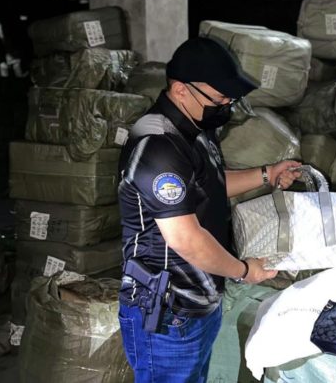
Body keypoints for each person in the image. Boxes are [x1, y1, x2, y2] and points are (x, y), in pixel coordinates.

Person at [116, 37, 301, 382]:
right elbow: (184, 238)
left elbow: (208, 186)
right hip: (167, 311)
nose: (225, 105)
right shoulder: (158, 144)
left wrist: (267, 174)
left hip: (200, 301)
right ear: (180, 90)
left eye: (229, 99)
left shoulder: (197, 128)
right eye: (218, 98)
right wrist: (244, 271)